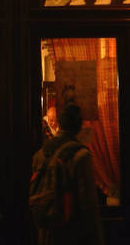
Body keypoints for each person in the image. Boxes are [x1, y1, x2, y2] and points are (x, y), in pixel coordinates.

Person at [31, 104, 103, 245]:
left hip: (46, 232)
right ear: (78, 125)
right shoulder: (80, 155)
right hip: (71, 232)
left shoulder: (41, 154)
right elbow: (88, 205)